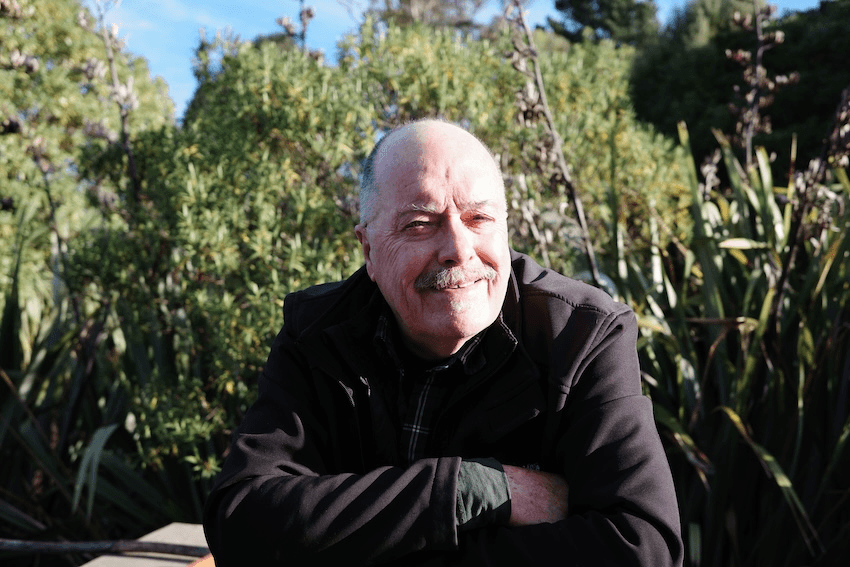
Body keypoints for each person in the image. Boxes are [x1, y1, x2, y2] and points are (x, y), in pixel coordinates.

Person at [203, 119, 683, 566]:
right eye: (419, 224)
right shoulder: (318, 331)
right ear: (368, 249)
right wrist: (471, 488)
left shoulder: (582, 335)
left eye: (478, 219)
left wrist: (368, 542)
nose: (458, 248)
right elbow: (241, 520)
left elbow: (642, 548)